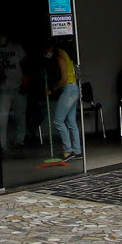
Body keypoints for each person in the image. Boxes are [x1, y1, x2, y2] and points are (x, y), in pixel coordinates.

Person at [42, 40, 81, 168]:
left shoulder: (60, 56)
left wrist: (52, 89)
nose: (46, 53)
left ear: (51, 48)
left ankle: (68, 151)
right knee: (71, 121)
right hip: (74, 88)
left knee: (58, 121)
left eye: (46, 50)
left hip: (68, 89)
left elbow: (64, 79)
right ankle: (77, 151)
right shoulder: (66, 54)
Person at [0, 36, 28, 149]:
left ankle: (20, 141)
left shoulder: (15, 47)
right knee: (2, 118)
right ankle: (2, 144)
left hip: (19, 87)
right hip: (3, 89)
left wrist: (25, 82)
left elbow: (25, 64)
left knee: (20, 115)